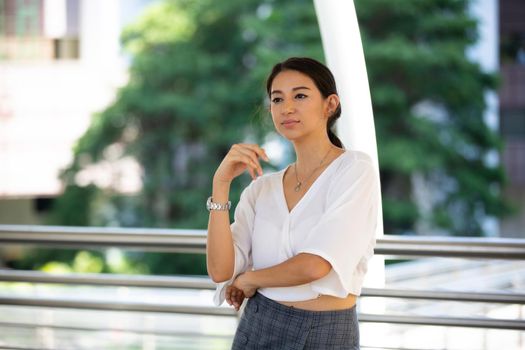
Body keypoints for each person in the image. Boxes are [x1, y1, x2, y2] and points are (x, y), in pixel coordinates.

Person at [206, 56, 380, 349]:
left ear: (330, 104)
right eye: (277, 99)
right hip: (260, 324)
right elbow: (221, 271)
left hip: (326, 332)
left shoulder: (354, 169)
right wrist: (220, 185)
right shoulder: (261, 189)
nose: (286, 107)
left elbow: (316, 265)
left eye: (300, 95)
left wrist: (250, 280)